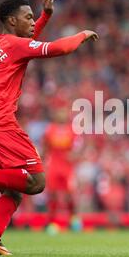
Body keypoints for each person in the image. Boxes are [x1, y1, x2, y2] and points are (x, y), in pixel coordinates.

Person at [0, 0, 98, 255]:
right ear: (12, 21)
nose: (32, 20)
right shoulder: (14, 46)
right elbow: (60, 48)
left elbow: (26, 41)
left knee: (12, 190)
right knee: (36, 181)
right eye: (28, 17)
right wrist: (81, 34)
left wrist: (46, 15)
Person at [42, 99, 81, 235]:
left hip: (67, 167)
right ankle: (51, 222)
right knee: (52, 195)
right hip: (53, 166)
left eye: (64, 111)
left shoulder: (72, 130)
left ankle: (73, 219)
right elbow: (45, 148)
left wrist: (74, 156)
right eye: (60, 111)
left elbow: (77, 148)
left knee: (70, 195)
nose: (62, 114)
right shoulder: (50, 130)